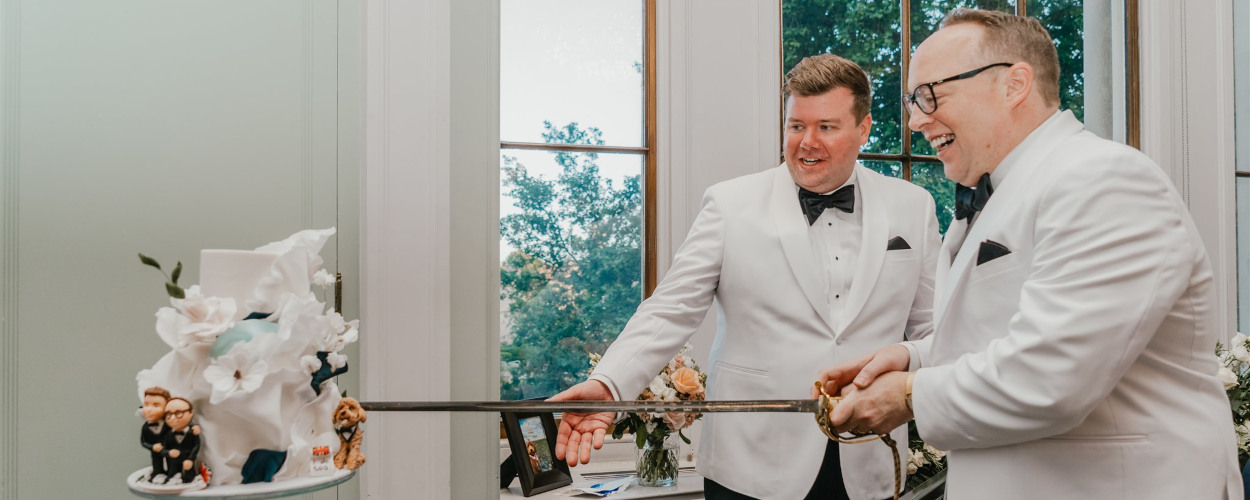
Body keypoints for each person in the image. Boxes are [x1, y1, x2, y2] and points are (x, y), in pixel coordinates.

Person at [816, 8, 1243, 499]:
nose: (915, 120)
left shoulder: (1103, 178)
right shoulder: (998, 192)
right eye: (914, 101)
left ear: (1014, 84)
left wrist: (909, 394)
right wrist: (911, 358)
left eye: (929, 95)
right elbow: (1008, 329)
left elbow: (1052, 375)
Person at [551, 53, 941, 500]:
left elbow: (938, 331)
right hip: (750, 467)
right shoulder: (729, 204)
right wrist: (609, 384)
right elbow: (670, 309)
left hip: (870, 462)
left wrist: (905, 367)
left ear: (864, 128)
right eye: (796, 126)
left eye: (826, 127)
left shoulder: (915, 206)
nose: (807, 142)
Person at [161, 397, 201, 484]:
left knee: (190, 479)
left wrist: (191, 459)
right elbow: (163, 450)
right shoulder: (168, 435)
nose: (172, 418)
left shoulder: (192, 432)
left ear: (191, 413)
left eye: (178, 413)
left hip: (188, 467)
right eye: (168, 415)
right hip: (172, 470)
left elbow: (196, 446)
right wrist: (169, 452)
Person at [140, 386, 171, 481]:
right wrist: (152, 447)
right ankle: (158, 473)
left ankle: (172, 474)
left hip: (170, 451)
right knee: (156, 462)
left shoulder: (170, 424)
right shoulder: (146, 428)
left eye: (156, 405)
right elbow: (143, 442)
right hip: (155, 453)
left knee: (172, 462)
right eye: (146, 405)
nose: (149, 409)